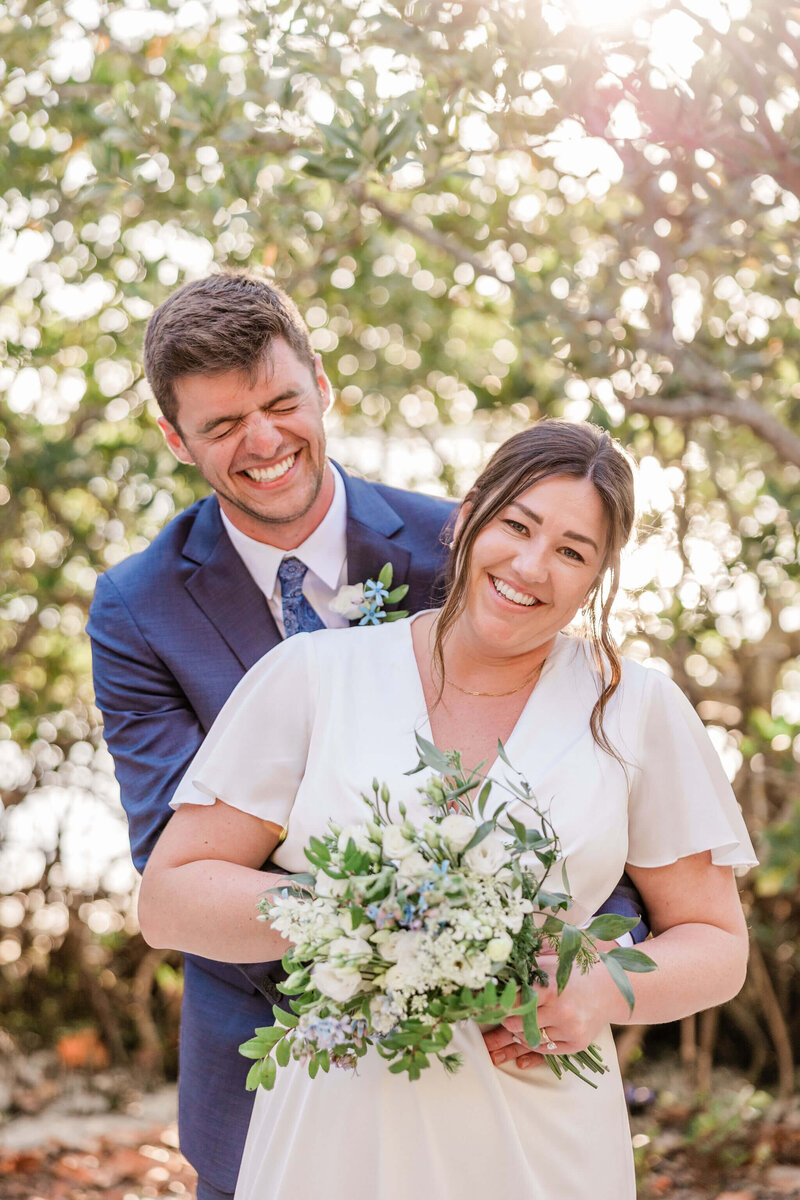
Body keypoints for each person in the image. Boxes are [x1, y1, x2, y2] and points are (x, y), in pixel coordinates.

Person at [87, 277, 646, 1200]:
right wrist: (390, 943)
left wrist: (567, 970)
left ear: (323, 385)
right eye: (223, 426)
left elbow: (590, 779)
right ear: (174, 440)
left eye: (279, 403)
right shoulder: (139, 607)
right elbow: (175, 851)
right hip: (267, 1049)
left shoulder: (476, 549)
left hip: (501, 1055)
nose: (263, 442)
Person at [137, 419, 756, 1200]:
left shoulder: (634, 708)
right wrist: (361, 914)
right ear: (465, 520)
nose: (532, 566)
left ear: (598, 578)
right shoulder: (312, 676)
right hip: (335, 1130)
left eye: (572, 551)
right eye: (517, 526)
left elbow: (717, 945)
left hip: (539, 1137)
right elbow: (170, 898)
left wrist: (601, 989)